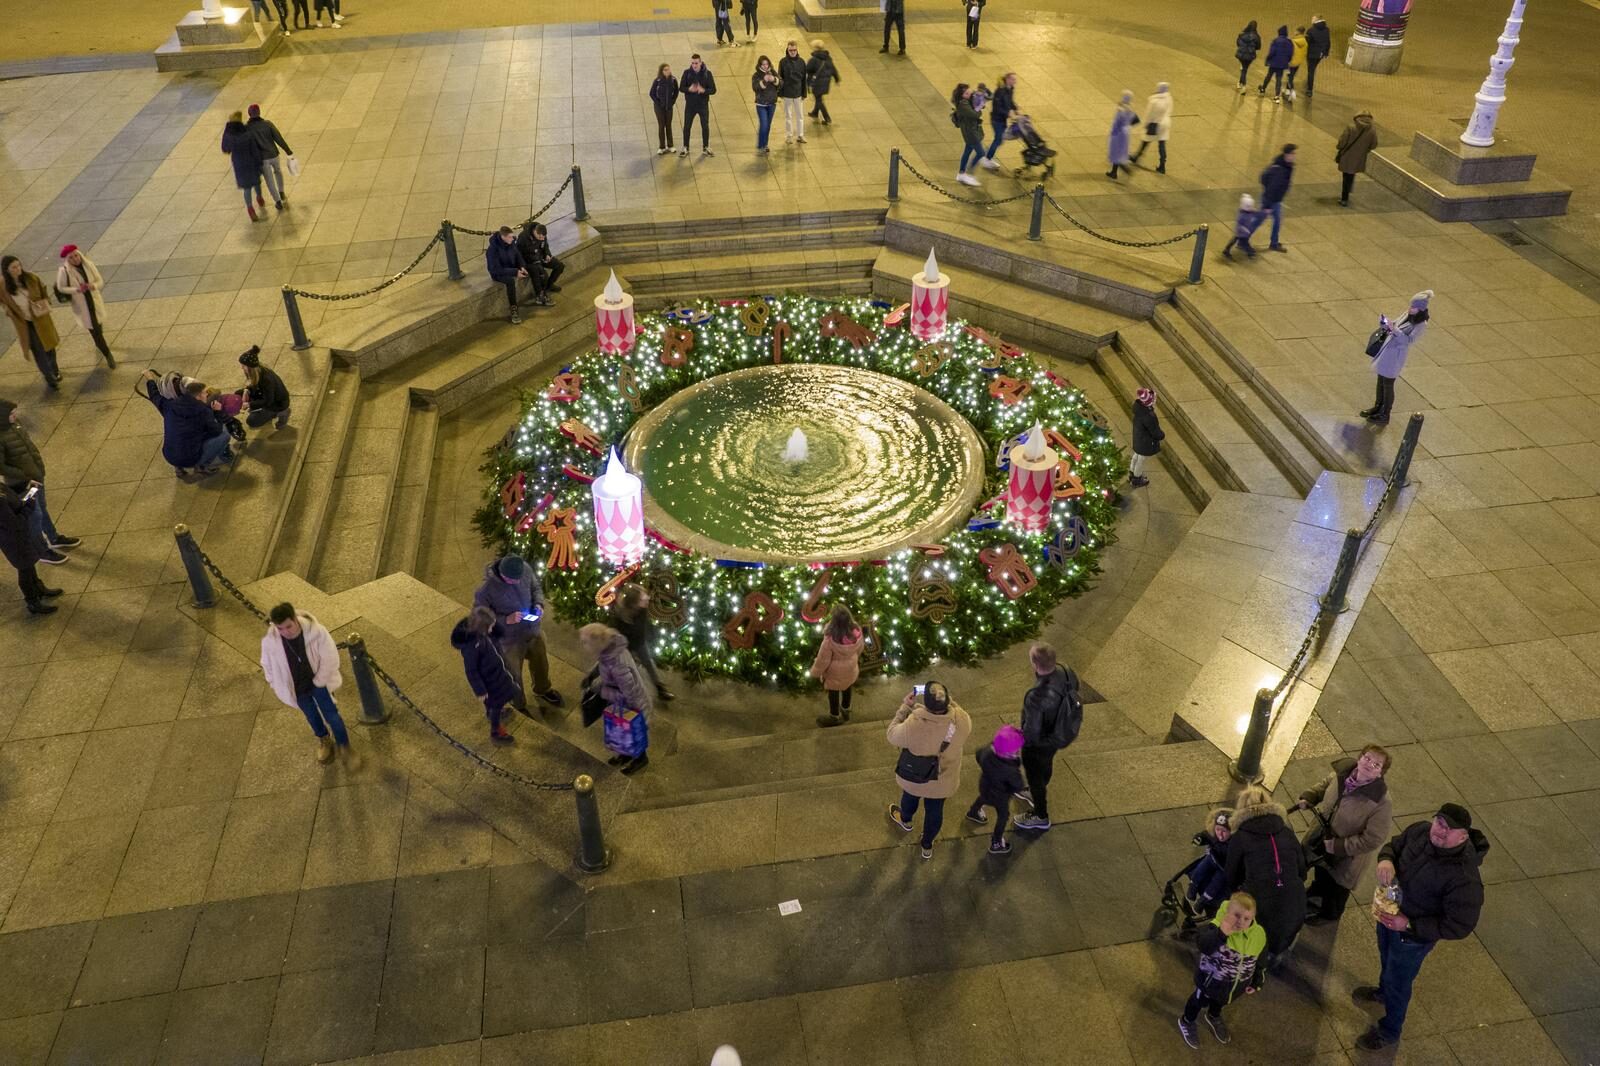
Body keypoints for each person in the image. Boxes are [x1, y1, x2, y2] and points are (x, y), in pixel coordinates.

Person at [1354, 804, 1488, 1051]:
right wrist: (1385, 860)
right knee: (1386, 958)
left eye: (1449, 828)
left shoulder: (1464, 879)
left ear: (1464, 836)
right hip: (1389, 917)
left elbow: (1460, 926)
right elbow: (1393, 846)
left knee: (1399, 982)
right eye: (1439, 822)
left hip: (1412, 938)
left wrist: (1409, 924)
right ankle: (1382, 992)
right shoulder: (1419, 832)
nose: (1440, 831)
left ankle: (1389, 1031)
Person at [1295, 745, 1393, 925]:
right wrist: (1310, 796)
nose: (1369, 764)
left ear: (1381, 773)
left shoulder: (1381, 802)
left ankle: (1328, 915)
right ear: (1360, 757)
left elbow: (1373, 838)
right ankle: (1317, 892)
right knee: (1321, 872)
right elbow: (1325, 785)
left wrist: (1340, 846)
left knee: (1336, 889)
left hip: (1346, 857)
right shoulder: (1343, 774)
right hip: (1322, 839)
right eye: (1367, 758)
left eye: (1377, 764)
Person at [1225, 784, 1307, 979]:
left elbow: (1231, 874)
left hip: (1259, 904)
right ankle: (1273, 957)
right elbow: (1301, 868)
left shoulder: (1241, 837)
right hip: (1295, 903)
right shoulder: (1286, 832)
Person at [261, 602, 358, 766]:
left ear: (295, 619)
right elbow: (267, 664)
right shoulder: (270, 641)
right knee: (311, 716)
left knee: (332, 716)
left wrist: (320, 681)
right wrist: (274, 683)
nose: (285, 632)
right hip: (297, 688)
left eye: (288, 626)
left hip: (318, 683)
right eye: (280, 629)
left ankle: (345, 747)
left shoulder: (316, 632)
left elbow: (330, 658)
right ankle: (324, 739)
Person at [886, 681, 972, 860]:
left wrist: (905, 707)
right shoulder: (961, 720)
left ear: (925, 703)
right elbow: (958, 712)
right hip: (942, 779)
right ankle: (927, 844)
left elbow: (892, 735)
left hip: (915, 777)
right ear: (947, 700)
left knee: (909, 798)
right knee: (935, 809)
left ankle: (906, 820)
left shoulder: (914, 724)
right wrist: (949, 702)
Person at [473, 553, 565, 712]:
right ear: (501, 574)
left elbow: (535, 587)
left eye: (518, 578)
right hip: (509, 639)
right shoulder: (485, 590)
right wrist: (505, 620)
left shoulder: (525, 569)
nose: (516, 582)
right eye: (512, 580)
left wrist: (539, 604)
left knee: (541, 662)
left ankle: (542, 689)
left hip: (532, 629)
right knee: (514, 673)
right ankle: (519, 704)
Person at [1177, 892, 1266, 1049]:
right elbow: (1204, 946)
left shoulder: (1258, 934)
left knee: (1220, 1001)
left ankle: (1213, 1015)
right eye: (1236, 915)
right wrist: (1221, 934)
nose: (1240, 922)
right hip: (1210, 982)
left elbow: (1260, 957)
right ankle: (1187, 1020)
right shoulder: (1216, 928)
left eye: (1246, 918)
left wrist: (1258, 978)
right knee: (1198, 1001)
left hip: (1235, 985)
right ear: (1227, 913)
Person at [0, 398, 78, 566]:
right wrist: (25, 476)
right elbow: (1, 467)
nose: (15, 416)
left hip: (35, 478)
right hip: (23, 484)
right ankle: (42, 551)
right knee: (34, 516)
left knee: (41, 509)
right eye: (11, 414)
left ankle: (53, 537)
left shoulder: (14, 425)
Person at [1012, 643, 1081, 832]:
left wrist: (1018, 739)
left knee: (1035, 776)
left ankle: (1040, 815)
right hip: (1058, 735)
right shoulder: (1065, 671)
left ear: (1034, 664)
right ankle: (1037, 789)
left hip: (1040, 743)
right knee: (1046, 765)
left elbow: (1032, 732)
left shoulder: (1036, 696)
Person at [580, 622, 655, 774]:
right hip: (623, 704)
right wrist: (592, 675)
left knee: (634, 733)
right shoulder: (610, 649)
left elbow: (629, 693)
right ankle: (626, 754)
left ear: (597, 643)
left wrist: (603, 692)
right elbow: (602, 663)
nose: (583, 646)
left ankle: (640, 759)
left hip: (634, 707)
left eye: (586, 642)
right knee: (624, 732)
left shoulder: (618, 665)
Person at [451, 606, 522, 745]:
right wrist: (480, 690)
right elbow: (471, 671)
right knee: (496, 703)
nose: (492, 628)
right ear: (482, 628)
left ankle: (493, 711)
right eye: (490, 626)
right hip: (489, 681)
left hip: (495, 673)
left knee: (500, 698)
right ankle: (496, 732)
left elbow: (495, 633)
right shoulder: (471, 647)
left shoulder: (479, 633)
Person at [142, 371, 233, 476]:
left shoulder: (169, 405)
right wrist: (217, 412)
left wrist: (150, 379)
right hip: (190, 459)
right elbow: (216, 431)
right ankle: (202, 466)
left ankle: (178, 469)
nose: (207, 394)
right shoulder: (203, 411)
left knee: (182, 435)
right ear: (198, 396)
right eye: (204, 393)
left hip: (169, 455)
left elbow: (154, 396)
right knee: (224, 433)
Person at [1362, 290, 1430, 426]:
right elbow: (1395, 323)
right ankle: (1377, 407)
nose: (1410, 309)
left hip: (1395, 356)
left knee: (1388, 384)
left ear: (1421, 309)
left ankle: (1385, 414)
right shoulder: (1407, 314)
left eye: (1414, 307)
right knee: (1380, 380)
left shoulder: (1421, 324)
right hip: (1387, 351)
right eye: (1411, 306)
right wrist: (1386, 323)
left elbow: (1408, 340)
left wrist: (1394, 330)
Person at [1, 256, 62, 388]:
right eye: (14, 267)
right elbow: (2, 300)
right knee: (38, 350)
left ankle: (55, 370)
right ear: (7, 270)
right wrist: (7, 309)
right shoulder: (3, 285)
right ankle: (50, 378)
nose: (18, 269)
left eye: (19, 265)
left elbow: (43, 290)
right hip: (24, 323)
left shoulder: (31, 278)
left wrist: (46, 302)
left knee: (49, 346)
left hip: (40, 318)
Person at [0, 483, 61, 615]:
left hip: (20, 535)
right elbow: (15, 523)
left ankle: (39, 589)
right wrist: (30, 505)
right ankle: (32, 602)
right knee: (25, 568)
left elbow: (14, 502)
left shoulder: (1, 487)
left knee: (30, 563)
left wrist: (28, 495)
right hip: (13, 539)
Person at [965, 724, 1025, 854]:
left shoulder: (987, 751)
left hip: (985, 786)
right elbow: (1018, 785)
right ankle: (997, 842)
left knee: (983, 798)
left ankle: (973, 812)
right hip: (1001, 796)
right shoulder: (1010, 769)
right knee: (1003, 815)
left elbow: (978, 754)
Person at [613, 583, 675, 702]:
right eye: (642, 598)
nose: (647, 598)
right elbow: (620, 636)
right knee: (628, 669)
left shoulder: (642, 609)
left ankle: (660, 689)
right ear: (634, 604)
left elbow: (644, 626)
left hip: (639, 643)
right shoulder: (622, 617)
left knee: (649, 664)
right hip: (626, 647)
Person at [55, 245, 113, 366]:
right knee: (94, 329)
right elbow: (61, 288)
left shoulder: (88, 265)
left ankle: (99, 344)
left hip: (93, 300)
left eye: (76, 255)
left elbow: (99, 280)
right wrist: (76, 289)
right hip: (81, 304)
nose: (75, 259)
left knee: (98, 325)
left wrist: (94, 286)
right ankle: (107, 354)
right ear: (67, 260)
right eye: (71, 258)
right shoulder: (64, 271)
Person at [810, 603, 864, 728]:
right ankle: (846, 710)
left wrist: (815, 672)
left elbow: (823, 660)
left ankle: (834, 716)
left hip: (834, 673)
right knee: (847, 688)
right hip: (851, 669)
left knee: (833, 693)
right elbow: (860, 648)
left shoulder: (830, 638)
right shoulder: (856, 631)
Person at [1183, 809, 1235, 921]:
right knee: (1198, 871)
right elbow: (1205, 835)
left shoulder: (1234, 844)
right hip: (1212, 858)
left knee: (1215, 885)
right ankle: (1192, 889)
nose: (1220, 834)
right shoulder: (1213, 835)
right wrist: (1199, 838)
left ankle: (1201, 903)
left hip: (1223, 869)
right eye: (1218, 830)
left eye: (1224, 831)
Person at [244, 104, 293, 211]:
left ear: (249, 114)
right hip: (274, 154)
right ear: (259, 112)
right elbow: (278, 137)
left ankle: (278, 201)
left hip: (263, 159)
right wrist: (287, 150)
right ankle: (281, 191)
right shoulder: (268, 124)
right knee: (278, 171)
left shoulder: (247, 128)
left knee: (269, 180)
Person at [221, 112, 266, 222]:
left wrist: (226, 132)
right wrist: (259, 161)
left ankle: (250, 208)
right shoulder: (247, 131)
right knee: (256, 182)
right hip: (251, 161)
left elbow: (225, 149)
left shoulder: (229, 135)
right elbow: (254, 149)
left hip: (239, 163)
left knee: (247, 188)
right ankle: (259, 198)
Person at [237, 346, 291, 429]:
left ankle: (281, 412)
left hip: (277, 404)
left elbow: (268, 401)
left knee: (252, 421)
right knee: (238, 394)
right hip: (264, 395)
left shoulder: (266, 380)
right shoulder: (258, 371)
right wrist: (246, 390)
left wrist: (249, 404)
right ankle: (262, 412)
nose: (242, 368)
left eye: (244, 366)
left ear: (250, 367)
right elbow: (254, 385)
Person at [485, 227, 531, 324]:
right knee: (510, 281)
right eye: (510, 237)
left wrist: (522, 266)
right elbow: (494, 269)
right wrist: (514, 272)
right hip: (498, 273)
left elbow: (518, 255)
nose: (513, 238)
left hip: (510, 267)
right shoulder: (492, 250)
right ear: (503, 237)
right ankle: (513, 308)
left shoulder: (511, 243)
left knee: (532, 267)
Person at [1257, 144, 1296, 251]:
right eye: (1292, 153)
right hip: (1270, 200)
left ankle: (1274, 243)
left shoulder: (1287, 166)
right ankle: (1242, 238)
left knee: (1277, 220)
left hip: (1276, 200)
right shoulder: (1280, 169)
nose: (1294, 156)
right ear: (1287, 154)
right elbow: (1266, 181)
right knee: (1258, 220)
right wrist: (1269, 202)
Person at [1335, 112, 1377, 206]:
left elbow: (1343, 141)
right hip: (1359, 157)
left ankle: (1344, 198)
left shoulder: (1351, 127)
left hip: (1347, 155)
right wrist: (1365, 149)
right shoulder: (1372, 130)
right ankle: (1348, 191)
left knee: (1346, 176)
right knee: (1351, 173)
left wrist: (1339, 147)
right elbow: (1374, 145)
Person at [1129, 82, 1172, 174]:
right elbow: (1169, 110)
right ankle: (1162, 165)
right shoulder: (1169, 98)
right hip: (1165, 123)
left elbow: (1149, 114)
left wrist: (1145, 124)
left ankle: (1136, 157)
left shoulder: (1154, 101)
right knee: (1162, 144)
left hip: (1154, 123)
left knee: (1146, 140)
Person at [680, 55, 717, 158]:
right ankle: (685, 147)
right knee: (687, 126)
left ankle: (706, 147)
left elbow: (713, 90)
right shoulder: (687, 73)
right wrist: (689, 89)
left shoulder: (707, 74)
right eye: (692, 63)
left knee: (705, 126)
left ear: (701, 63)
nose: (694, 65)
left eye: (696, 63)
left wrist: (704, 90)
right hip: (690, 105)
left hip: (703, 105)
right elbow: (681, 87)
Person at [952, 84, 986, 187]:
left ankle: (961, 173)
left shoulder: (967, 101)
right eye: (966, 93)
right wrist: (979, 108)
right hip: (971, 133)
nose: (970, 93)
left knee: (967, 152)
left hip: (970, 131)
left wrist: (979, 102)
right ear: (962, 95)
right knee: (981, 153)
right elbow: (975, 114)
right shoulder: (963, 105)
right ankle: (968, 174)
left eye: (969, 91)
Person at [1129, 386, 1164, 487]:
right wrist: (1161, 435)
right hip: (1145, 442)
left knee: (1136, 455)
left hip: (1138, 438)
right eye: (1154, 399)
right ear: (1150, 401)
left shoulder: (1139, 409)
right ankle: (1137, 478)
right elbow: (1155, 431)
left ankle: (1132, 472)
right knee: (1141, 459)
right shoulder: (1149, 416)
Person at [981, 72, 1017, 168]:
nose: (1015, 81)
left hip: (1002, 119)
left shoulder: (1010, 89)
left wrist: (1016, 109)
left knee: (999, 140)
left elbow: (1010, 101)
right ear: (1008, 80)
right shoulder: (1000, 91)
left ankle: (987, 157)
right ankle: (986, 159)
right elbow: (996, 108)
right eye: (1013, 79)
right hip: (996, 120)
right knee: (998, 140)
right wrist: (1008, 113)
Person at [778, 41, 808, 145]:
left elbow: (804, 79)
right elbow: (780, 78)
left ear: (797, 50)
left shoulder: (802, 62)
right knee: (788, 116)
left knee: (800, 116)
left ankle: (800, 135)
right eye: (790, 50)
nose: (793, 52)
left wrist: (804, 93)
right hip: (787, 93)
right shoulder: (783, 62)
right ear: (787, 50)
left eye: (794, 50)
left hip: (798, 93)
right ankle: (789, 136)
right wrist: (780, 93)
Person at [1221, 194, 1265, 261]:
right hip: (1242, 232)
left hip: (1243, 231)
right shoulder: (1242, 215)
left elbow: (1255, 212)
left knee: (1235, 239)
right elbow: (1240, 224)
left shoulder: (1248, 212)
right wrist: (1245, 230)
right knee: (1244, 242)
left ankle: (1227, 250)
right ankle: (1250, 252)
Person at [805, 41, 839, 125]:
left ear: (816, 48)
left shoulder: (814, 60)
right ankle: (815, 113)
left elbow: (807, 69)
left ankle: (827, 118)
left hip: (817, 83)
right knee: (818, 97)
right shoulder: (828, 58)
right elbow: (833, 69)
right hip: (826, 82)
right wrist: (836, 78)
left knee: (819, 100)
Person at [1106, 90, 1137, 181]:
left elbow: (1116, 123)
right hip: (1125, 133)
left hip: (1118, 134)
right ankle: (1113, 172)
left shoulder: (1121, 109)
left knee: (1116, 153)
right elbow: (1135, 120)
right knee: (1119, 153)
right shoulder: (1130, 108)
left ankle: (1125, 170)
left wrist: (1113, 133)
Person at [752, 55, 780, 154]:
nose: (765, 66)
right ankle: (761, 144)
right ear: (760, 65)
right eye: (763, 64)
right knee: (764, 124)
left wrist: (774, 80)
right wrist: (764, 81)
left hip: (772, 103)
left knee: (768, 125)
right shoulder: (756, 75)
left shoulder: (773, 72)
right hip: (761, 104)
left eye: (767, 64)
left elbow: (780, 83)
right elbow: (755, 87)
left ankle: (765, 144)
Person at [650, 64, 680, 156]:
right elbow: (651, 93)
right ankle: (662, 147)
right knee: (661, 125)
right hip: (659, 108)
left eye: (668, 69)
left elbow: (676, 92)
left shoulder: (673, 80)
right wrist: (658, 103)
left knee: (668, 125)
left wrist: (672, 101)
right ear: (662, 71)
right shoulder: (657, 81)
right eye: (665, 70)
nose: (668, 71)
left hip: (669, 107)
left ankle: (670, 145)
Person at [1259, 26, 1293, 102]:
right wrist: (1287, 61)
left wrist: (1267, 59)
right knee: (1279, 79)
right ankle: (1277, 96)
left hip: (1274, 63)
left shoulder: (1276, 41)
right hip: (1282, 64)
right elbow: (1290, 54)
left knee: (1269, 76)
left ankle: (1263, 89)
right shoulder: (1289, 42)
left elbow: (1272, 52)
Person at [1305, 15, 1331, 96]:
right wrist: (1326, 52)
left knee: (1311, 71)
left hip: (1312, 54)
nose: (1311, 20)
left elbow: (1307, 43)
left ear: (1317, 20)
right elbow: (1328, 42)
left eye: (1313, 19)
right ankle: (1309, 83)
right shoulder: (1326, 30)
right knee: (1313, 68)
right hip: (1320, 54)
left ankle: (1309, 89)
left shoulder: (1311, 31)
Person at [1234, 20, 1262, 93]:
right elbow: (1258, 47)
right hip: (1250, 55)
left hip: (1241, 55)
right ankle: (1242, 84)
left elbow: (1238, 43)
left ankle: (1242, 84)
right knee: (1245, 70)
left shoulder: (1242, 34)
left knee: (1243, 70)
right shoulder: (1256, 37)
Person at [1286, 26, 1309, 101]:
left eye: (1295, 31)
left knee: (1290, 77)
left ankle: (1292, 91)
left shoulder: (1293, 41)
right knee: (1291, 76)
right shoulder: (1305, 42)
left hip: (1291, 62)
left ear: (1298, 32)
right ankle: (1287, 90)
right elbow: (1304, 53)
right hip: (1298, 62)